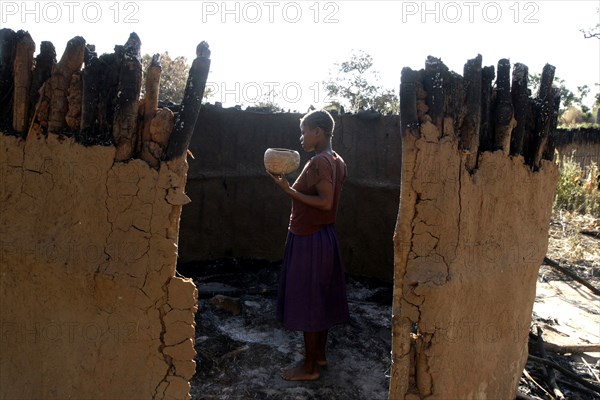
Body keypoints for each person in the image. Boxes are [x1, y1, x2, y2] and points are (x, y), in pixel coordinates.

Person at [267, 109, 350, 381]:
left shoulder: (319, 163)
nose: (301, 137)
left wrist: (287, 190)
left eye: (304, 131)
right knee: (321, 299)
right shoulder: (337, 161)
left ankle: (309, 367)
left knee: (309, 301)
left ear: (318, 131)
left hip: (310, 239)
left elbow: (325, 203)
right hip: (324, 236)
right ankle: (320, 356)